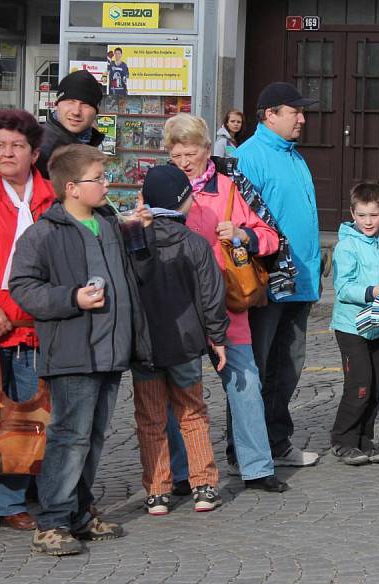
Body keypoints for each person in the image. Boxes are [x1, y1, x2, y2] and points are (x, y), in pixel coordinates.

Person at [10, 144, 154, 556]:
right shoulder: (44, 233)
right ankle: (53, 521)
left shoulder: (109, 224)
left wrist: (139, 237)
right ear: (72, 187)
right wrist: (73, 298)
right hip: (74, 351)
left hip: (111, 349)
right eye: (99, 179)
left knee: (91, 436)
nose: (106, 185)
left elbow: (138, 275)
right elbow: (23, 287)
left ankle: (78, 512)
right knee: (69, 437)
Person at [165, 113, 289, 492]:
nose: (185, 162)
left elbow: (270, 238)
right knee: (179, 393)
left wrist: (242, 235)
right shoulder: (163, 188)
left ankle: (257, 467)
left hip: (227, 304)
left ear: (207, 150)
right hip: (179, 308)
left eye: (191, 153)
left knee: (245, 384)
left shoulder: (230, 188)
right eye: (176, 155)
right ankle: (182, 472)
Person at [0, 110, 54, 538]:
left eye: (16, 146)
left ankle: (13, 502)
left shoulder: (51, 198)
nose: (6, 152)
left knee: (26, 418)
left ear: (34, 153)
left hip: (32, 327)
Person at [132, 165, 229, 515]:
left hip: (144, 345)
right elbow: (211, 296)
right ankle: (203, 486)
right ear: (183, 202)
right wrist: (216, 337)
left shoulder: (134, 241)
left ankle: (157, 491)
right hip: (187, 343)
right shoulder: (196, 244)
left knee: (151, 418)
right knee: (192, 413)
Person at [234, 82, 322, 467]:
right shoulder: (249, 156)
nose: (302, 118)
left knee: (288, 366)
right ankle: (245, 448)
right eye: (294, 111)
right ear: (270, 115)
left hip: (300, 281)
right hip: (268, 282)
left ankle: (277, 440)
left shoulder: (294, 155)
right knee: (257, 367)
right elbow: (242, 222)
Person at [330, 183, 379, 465]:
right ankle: (343, 439)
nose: (368, 222)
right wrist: (371, 291)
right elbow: (343, 287)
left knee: (375, 388)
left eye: (373, 215)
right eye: (361, 216)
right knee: (359, 385)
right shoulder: (347, 246)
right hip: (352, 327)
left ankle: (365, 438)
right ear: (352, 214)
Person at [36, 70, 105, 178]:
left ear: (96, 111)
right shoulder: (41, 149)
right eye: (70, 101)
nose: (76, 111)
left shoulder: (88, 141)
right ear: (56, 104)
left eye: (85, 104)